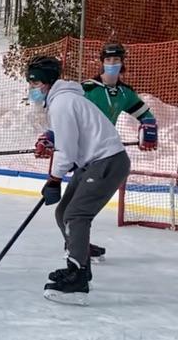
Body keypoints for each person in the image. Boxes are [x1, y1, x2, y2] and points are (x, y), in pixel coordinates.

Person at [33, 42, 158, 262]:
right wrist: (51, 137)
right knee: (67, 213)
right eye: (108, 60)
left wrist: (148, 129)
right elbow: (68, 122)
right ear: (101, 62)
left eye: (116, 60)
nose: (112, 64)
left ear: (122, 63)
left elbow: (146, 115)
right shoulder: (86, 89)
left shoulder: (124, 93)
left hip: (101, 152)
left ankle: (78, 261)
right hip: (86, 152)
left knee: (75, 214)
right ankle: (77, 248)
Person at [27, 56, 131, 305]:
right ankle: (80, 264)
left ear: (47, 82)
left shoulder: (62, 103)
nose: (31, 87)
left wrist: (53, 180)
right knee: (64, 212)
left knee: (76, 215)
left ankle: (78, 278)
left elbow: (66, 152)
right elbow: (71, 144)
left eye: (35, 81)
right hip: (93, 162)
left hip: (107, 162)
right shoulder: (63, 100)